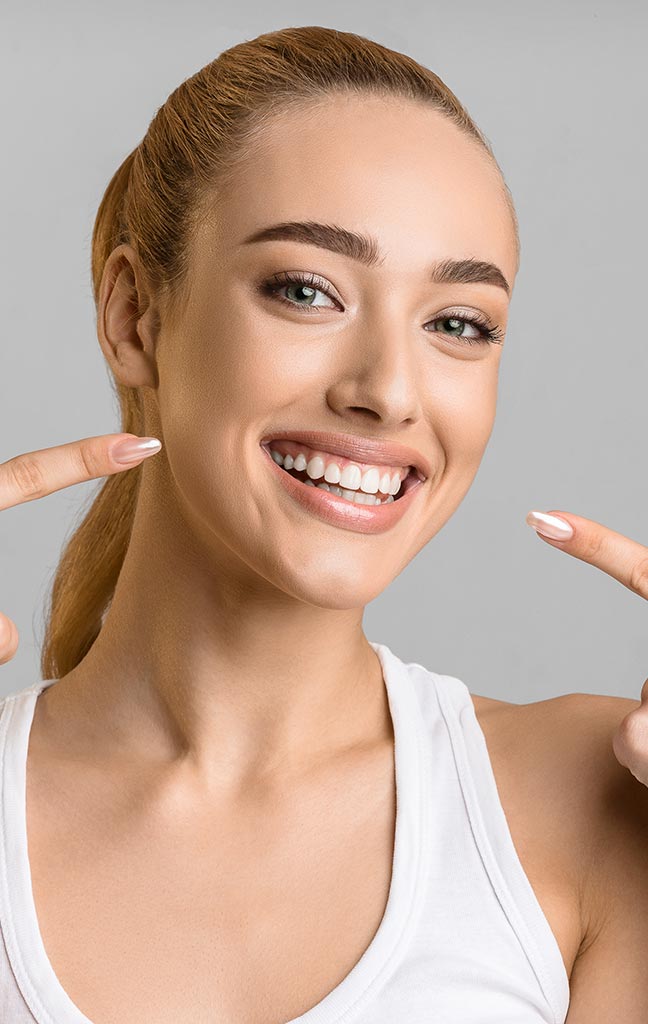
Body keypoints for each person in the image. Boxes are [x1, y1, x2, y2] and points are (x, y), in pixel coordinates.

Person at [1, 24, 647, 1024]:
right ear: (136, 318)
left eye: (458, 323)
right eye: (307, 290)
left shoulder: (597, 806)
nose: (389, 390)